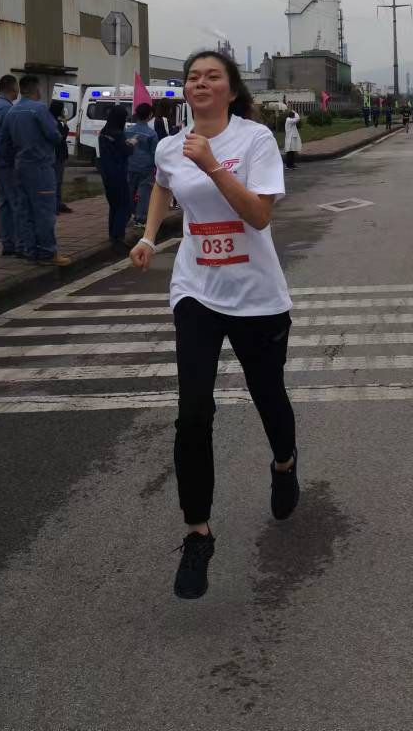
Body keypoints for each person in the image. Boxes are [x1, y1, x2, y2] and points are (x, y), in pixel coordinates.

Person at [130, 50, 298, 600]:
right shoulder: (171, 146)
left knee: (267, 393)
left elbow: (259, 215)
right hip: (197, 289)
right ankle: (197, 533)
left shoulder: (255, 140)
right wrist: (150, 236)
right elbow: (162, 184)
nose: (200, 83)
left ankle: (284, 463)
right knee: (193, 409)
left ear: (230, 90)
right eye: (192, 77)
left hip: (256, 294)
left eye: (212, 77)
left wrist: (211, 166)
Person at [0, 75, 69, 266]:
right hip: (40, 166)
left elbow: (4, 143)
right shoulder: (39, 109)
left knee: (25, 211)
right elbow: (54, 136)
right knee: (44, 211)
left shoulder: (11, 111)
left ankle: (29, 250)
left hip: (20, 167)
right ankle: (47, 252)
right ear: (36, 90)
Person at [0, 75, 19, 256]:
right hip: (9, 162)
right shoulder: (7, 109)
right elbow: (12, 136)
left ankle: (8, 243)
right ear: (12, 88)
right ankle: (17, 242)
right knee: (15, 202)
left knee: (5, 203)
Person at [98, 104, 132, 243]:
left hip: (106, 172)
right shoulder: (118, 134)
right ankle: (118, 235)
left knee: (114, 204)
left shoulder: (104, 132)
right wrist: (132, 144)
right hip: (119, 172)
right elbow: (126, 151)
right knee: (124, 205)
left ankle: (112, 234)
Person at [125, 102, 158, 225]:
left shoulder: (127, 131)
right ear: (149, 115)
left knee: (129, 191)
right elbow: (155, 152)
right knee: (144, 192)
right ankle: (140, 218)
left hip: (130, 164)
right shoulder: (152, 134)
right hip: (146, 166)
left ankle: (127, 215)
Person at [48, 99, 73, 215]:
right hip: (56, 154)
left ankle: (58, 203)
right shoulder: (53, 122)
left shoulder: (55, 121)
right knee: (55, 181)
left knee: (58, 181)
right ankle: (54, 205)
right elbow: (61, 137)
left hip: (60, 155)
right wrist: (65, 125)